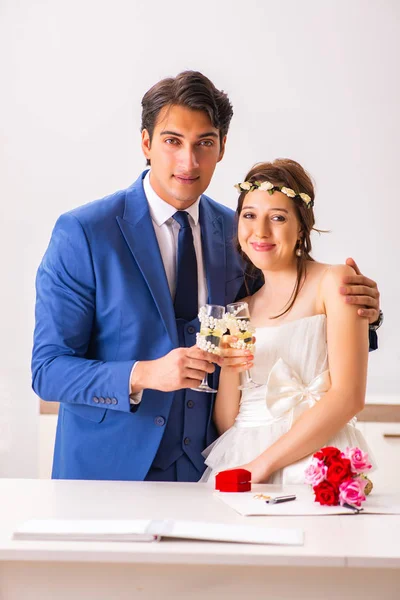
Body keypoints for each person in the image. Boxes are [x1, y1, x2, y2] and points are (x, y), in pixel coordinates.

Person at [31, 71, 381, 482]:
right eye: (172, 141)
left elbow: (289, 310)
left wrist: (362, 311)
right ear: (145, 143)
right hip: (108, 474)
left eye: (205, 144)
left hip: (212, 469)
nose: (189, 161)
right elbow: (48, 370)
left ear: (222, 148)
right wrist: (142, 374)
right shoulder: (85, 233)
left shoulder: (244, 233)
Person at [201, 159, 375, 485]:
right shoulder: (236, 310)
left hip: (315, 455)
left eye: (278, 218)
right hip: (242, 455)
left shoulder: (335, 281)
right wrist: (229, 366)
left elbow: (350, 396)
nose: (261, 231)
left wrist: (262, 467)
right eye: (249, 215)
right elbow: (227, 421)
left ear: (301, 228)